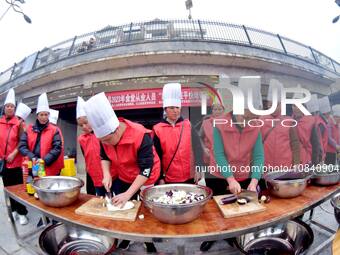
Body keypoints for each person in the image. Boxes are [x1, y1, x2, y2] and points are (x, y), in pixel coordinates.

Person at [84, 92, 160, 253]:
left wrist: (128, 193)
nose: (104, 143)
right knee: (124, 208)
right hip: (125, 174)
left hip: (147, 176)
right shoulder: (105, 137)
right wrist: (106, 174)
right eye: (102, 141)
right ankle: (127, 237)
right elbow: (104, 155)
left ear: (116, 130)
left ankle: (149, 242)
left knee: (147, 209)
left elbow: (146, 169)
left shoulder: (140, 135)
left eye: (107, 140)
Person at [200, 76, 265, 252]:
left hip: (243, 174)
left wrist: (253, 181)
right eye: (245, 115)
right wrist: (230, 179)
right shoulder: (219, 124)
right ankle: (213, 235)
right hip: (218, 175)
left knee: (238, 210)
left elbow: (259, 156)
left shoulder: (255, 126)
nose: (248, 121)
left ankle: (232, 236)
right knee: (216, 210)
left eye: (252, 117)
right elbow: (219, 154)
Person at [153, 83, 195, 184]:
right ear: (165, 109)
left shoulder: (188, 124)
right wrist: (159, 178)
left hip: (190, 174)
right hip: (170, 176)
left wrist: (199, 168)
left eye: (177, 107)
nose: (175, 111)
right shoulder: (158, 129)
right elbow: (156, 155)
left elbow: (198, 148)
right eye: (171, 108)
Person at [0, 89, 29, 225]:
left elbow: (22, 141)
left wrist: (14, 153)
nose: (9, 108)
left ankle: (22, 213)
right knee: (7, 188)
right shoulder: (0, 122)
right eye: (7, 106)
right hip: (3, 163)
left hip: (15, 162)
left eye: (12, 106)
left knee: (18, 189)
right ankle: (13, 211)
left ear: (14, 108)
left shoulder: (19, 124)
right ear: (4, 108)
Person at [19, 93, 64, 176]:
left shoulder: (54, 130)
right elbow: (22, 146)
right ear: (37, 116)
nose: (44, 117)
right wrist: (33, 157)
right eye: (41, 115)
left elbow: (57, 148)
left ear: (48, 116)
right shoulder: (29, 129)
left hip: (49, 166)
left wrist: (45, 161)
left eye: (46, 114)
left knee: (49, 187)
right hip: (34, 164)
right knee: (35, 183)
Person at [261, 79, 300, 170]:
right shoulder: (261, 120)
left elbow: (295, 144)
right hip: (266, 166)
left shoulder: (289, 121)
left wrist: (296, 164)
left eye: (275, 104)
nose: (271, 107)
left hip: (285, 166)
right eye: (269, 104)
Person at [76, 96, 108, 196]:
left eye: (86, 123)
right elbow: (86, 156)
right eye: (81, 125)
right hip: (94, 175)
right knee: (100, 198)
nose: (84, 127)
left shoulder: (103, 134)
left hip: (109, 174)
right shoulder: (81, 139)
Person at [319, 96, 339, 165]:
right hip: (328, 150)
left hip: (333, 151)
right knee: (330, 169)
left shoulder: (337, 124)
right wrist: (336, 146)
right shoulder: (329, 123)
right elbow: (329, 137)